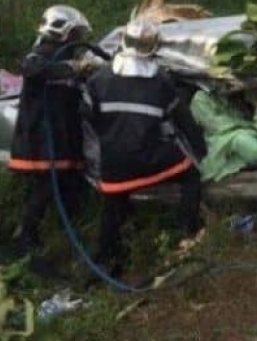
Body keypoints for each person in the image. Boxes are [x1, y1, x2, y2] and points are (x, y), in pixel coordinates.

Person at [82, 17, 207, 276]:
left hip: (112, 166)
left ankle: (106, 261)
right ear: (153, 47)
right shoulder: (160, 82)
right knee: (191, 175)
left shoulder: (99, 79)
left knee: (113, 205)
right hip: (147, 159)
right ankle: (187, 232)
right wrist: (201, 149)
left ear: (124, 43)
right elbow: (183, 121)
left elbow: (87, 119)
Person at [9, 5, 93, 265]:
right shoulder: (40, 55)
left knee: (68, 185)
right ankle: (26, 237)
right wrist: (74, 68)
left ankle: (64, 233)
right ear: (62, 31)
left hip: (60, 138)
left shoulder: (62, 56)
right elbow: (33, 69)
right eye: (75, 33)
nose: (78, 39)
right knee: (44, 188)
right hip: (40, 139)